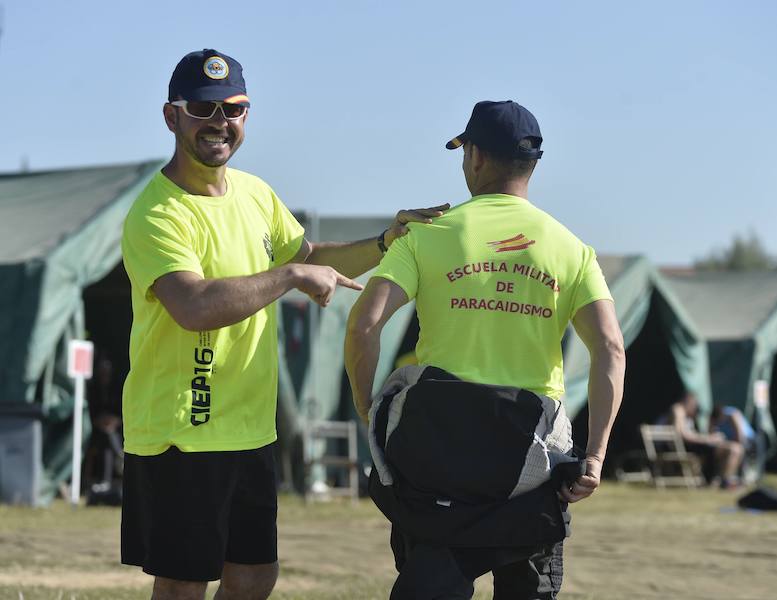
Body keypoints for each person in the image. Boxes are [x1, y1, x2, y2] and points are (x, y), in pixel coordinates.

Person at [119, 48, 447, 600]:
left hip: (249, 429)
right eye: (203, 109)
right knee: (182, 586)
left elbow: (314, 256)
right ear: (172, 117)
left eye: (235, 108)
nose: (220, 122)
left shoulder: (255, 194)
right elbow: (193, 304)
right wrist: (291, 275)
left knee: (253, 577)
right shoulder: (158, 212)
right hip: (181, 432)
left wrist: (389, 240)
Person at [344, 100, 626, 599]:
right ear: (532, 165)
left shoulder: (425, 234)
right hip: (530, 458)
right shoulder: (571, 249)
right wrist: (596, 456)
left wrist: (369, 411)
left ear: (474, 156)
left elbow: (364, 325)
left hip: (439, 452)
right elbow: (609, 348)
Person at [665, 393, 744, 488]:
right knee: (733, 450)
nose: (695, 407)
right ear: (688, 401)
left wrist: (709, 438)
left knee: (737, 449)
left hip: (697, 445)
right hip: (687, 447)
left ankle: (724, 479)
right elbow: (682, 436)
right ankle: (722, 480)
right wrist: (707, 439)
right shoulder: (678, 409)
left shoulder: (686, 414)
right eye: (694, 404)